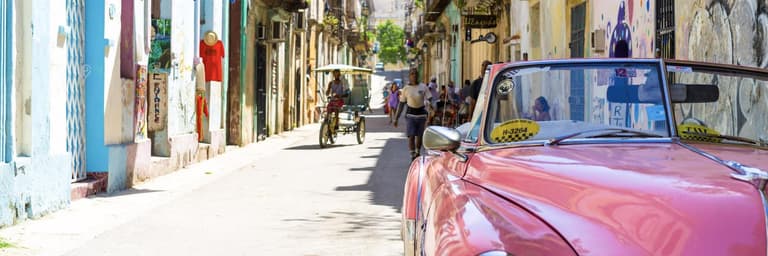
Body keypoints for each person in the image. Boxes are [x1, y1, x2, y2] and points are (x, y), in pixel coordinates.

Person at [394, 68, 432, 160]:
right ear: (409, 76)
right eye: (412, 74)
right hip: (410, 115)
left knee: (419, 136)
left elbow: (430, 98)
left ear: (418, 76)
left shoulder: (423, 87)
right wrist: (396, 118)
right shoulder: (406, 89)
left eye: (415, 74)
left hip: (421, 115)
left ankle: (417, 152)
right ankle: (412, 155)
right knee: (411, 135)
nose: (414, 75)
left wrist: (432, 107)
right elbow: (401, 104)